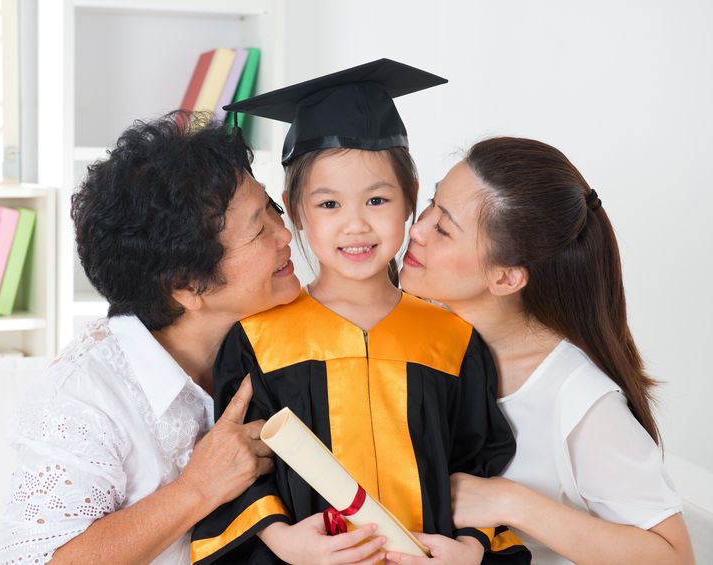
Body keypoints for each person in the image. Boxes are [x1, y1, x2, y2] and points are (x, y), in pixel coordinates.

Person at [191, 59, 530, 565]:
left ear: (411, 199)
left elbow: (479, 463)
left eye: (377, 199)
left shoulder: (452, 337)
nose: (356, 225)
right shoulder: (257, 340)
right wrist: (282, 539)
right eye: (328, 205)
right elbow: (241, 465)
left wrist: (474, 546)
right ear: (295, 208)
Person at [0, 113, 301, 565]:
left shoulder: (273, 332)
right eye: (259, 230)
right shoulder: (81, 399)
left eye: (273, 208)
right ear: (188, 286)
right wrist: (196, 489)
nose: (285, 234)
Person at [387, 137, 696, 565]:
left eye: (443, 228)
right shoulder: (421, 338)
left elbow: (674, 558)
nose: (416, 230)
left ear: (507, 278)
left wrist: (510, 502)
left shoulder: (579, 400)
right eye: (432, 205)